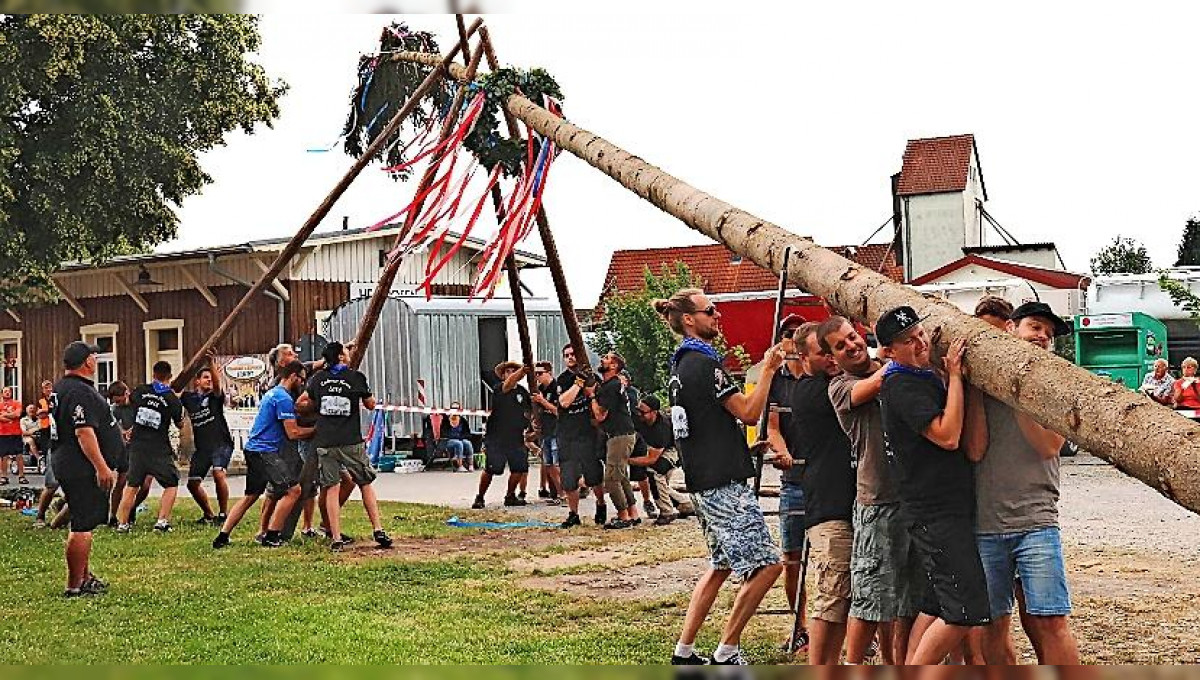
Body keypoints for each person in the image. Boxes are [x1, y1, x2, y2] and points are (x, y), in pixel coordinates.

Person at [655, 288, 786, 666]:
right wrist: (769, 369)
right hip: (721, 483)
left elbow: (703, 425)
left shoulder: (680, 366)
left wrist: (742, 450)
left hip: (703, 477)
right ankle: (727, 651)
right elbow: (746, 412)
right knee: (766, 566)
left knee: (721, 563)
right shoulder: (704, 363)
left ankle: (685, 650)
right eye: (710, 310)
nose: (717, 316)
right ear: (689, 320)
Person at [964, 301, 1081, 665]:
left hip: (1037, 521)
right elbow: (975, 448)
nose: (1042, 337)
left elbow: (1049, 447)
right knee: (994, 623)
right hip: (987, 522)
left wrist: (1018, 392)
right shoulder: (983, 382)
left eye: (1048, 333)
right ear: (1011, 329)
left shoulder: (1058, 385)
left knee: (1051, 620)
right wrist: (976, 386)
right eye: (1035, 327)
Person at [876, 305, 990, 664]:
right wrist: (956, 377)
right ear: (889, 352)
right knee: (966, 609)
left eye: (920, 335)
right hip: (934, 511)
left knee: (938, 603)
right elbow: (947, 435)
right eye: (908, 341)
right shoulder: (900, 384)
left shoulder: (922, 377)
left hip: (946, 508)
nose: (919, 343)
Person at [781, 322, 856, 665]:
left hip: (847, 503)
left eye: (833, 349)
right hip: (828, 508)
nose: (831, 357)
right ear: (804, 357)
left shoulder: (829, 382)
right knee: (833, 596)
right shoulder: (811, 390)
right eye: (823, 352)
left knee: (845, 597)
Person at [296, 342, 393, 551]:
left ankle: (336, 537)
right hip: (351, 440)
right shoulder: (355, 377)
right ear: (340, 357)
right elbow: (371, 404)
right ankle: (378, 529)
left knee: (331, 487)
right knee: (365, 482)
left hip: (325, 441)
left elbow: (300, 402)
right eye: (346, 352)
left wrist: (318, 405)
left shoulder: (318, 379)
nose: (349, 355)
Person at [213, 360, 313, 548]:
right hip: (264, 451)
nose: (302, 384)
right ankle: (272, 535)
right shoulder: (283, 398)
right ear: (293, 377)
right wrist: (316, 430)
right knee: (294, 490)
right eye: (301, 380)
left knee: (251, 495)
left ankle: (222, 536)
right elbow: (293, 433)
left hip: (252, 448)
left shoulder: (271, 393)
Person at [51, 342, 120, 597]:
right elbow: (83, 432)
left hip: (67, 461)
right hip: (80, 466)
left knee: (84, 520)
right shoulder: (79, 392)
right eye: (94, 356)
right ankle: (74, 584)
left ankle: (84, 576)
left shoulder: (63, 388)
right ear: (87, 362)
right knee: (82, 525)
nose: (96, 360)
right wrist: (101, 467)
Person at [764, 314, 810, 655]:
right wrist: (782, 452)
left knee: (835, 558)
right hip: (793, 479)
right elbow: (772, 425)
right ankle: (800, 626)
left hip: (825, 478)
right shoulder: (776, 381)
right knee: (791, 557)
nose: (792, 339)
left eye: (798, 333)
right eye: (787, 334)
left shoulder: (820, 374)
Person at [115, 362, 184, 533]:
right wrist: (175, 402)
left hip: (137, 446)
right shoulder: (171, 398)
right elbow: (181, 424)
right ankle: (161, 522)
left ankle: (122, 524)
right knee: (171, 482)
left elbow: (132, 404)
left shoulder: (140, 390)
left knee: (132, 485)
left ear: (153, 374)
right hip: (158, 448)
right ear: (170, 376)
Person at [556, 344, 607, 528]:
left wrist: (590, 388)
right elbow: (565, 402)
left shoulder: (593, 379)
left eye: (573, 354)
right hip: (567, 435)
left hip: (587, 434)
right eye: (566, 355)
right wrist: (578, 383)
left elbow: (600, 404)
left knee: (594, 475)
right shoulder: (562, 380)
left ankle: (601, 504)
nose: (570, 358)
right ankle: (573, 514)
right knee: (569, 478)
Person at [588, 352, 641, 529]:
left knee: (611, 479)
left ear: (614, 366)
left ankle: (623, 517)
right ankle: (633, 513)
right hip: (624, 434)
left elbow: (600, 415)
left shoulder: (611, 385)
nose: (602, 360)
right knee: (622, 477)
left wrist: (592, 396)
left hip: (619, 435)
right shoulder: (614, 384)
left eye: (606, 358)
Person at [181, 352, 234, 525]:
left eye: (211, 378)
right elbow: (173, 393)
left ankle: (223, 514)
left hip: (221, 443)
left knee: (219, 474)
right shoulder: (189, 398)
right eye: (205, 378)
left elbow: (218, 387)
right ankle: (209, 514)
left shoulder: (214, 398)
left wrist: (211, 363)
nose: (209, 380)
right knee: (192, 484)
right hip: (203, 447)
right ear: (196, 381)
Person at [472, 361, 532, 509]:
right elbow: (508, 384)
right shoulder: (499, 388)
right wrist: (521, 371)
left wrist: (532, 426)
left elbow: (529, 411)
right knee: (492, 469)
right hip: (497, 437)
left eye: (514, 371)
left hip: (516, 436)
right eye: (508, 371)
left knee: (519, 467)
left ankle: (510, 495)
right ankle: (480, 497)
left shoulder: (523, 392)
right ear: (503, 375)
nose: (511, 374)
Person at [632, 394, 695, 525]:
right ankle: (686, 505)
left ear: (654, 412)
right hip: (657, 448)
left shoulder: (662, 428)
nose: (639, 414)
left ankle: (667, 512)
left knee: (654, 471)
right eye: (638, 410)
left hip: (674, 449)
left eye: (642, 412)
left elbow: (652, 459)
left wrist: (626, 460)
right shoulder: (640, 418)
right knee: (660, 485)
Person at [106, 382, 148, 527]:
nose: (118, 403)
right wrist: (122, 432)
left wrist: (134, 429)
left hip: (143, 447)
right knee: (122, 482)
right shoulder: (116, 409)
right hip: (126, 450)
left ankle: (131, 508)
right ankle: (113, 515)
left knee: (146, 485)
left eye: (120, 400)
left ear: (127, 393)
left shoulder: (138, 404)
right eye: (115, 402)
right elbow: (113, 424)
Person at [532, 362, 562, 501]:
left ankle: (566, 492)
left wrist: (543, 401)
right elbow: (537, 412)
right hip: (545, 431)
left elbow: (559, 411)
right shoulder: (539, 389)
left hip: (557, 430)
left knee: (557, 465)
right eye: (535, 374)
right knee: (548, 465)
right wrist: (534, 421)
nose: (537, 376)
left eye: (540, 373)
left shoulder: (557, 388)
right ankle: (558, 493)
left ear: (549, 372)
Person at [32, 380, 60, 527]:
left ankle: (61, 507)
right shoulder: (44, 401)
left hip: (68, 445)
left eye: (50, 387)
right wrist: (47, 410)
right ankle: (40, 516)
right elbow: (40, 414)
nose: (49, 390)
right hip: (51, 440)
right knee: (52, 484)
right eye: (46, 388)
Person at [429, 402, 476, 472]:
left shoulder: (463, 421)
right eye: (454, 409)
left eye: (457, 409)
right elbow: (444, 434)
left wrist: (461, 437)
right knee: (458, 443)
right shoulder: (446, 420)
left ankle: (471, 465)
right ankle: (459, 465)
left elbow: (467, 434)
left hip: (460, 439)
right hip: (447, 441)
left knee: (467, 443)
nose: (455, 410)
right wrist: (456, 438)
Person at [0, 387, 25, 486]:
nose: (7, 393)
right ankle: (3, 476)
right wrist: (11, 416)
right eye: (5, 391)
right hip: (3, 432)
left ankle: (21, 476)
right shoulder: (0, 404)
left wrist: (5, 415)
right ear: (2, 394)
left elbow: (18, 414)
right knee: (3, 455)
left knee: (19, 454)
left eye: (9, 391)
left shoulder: (16, 403)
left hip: (16, 432)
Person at [21, 403, 40, 471]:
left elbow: (41, 428)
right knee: (30, 440)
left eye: (33, 408)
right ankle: (39, 459)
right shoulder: (23, 420)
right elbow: (24, 432)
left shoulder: (38, 419)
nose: (32, 410)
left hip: (38, 436)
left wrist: (32, 431)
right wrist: (32, 432)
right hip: (26, 437)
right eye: (30, 408)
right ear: (27, 411)